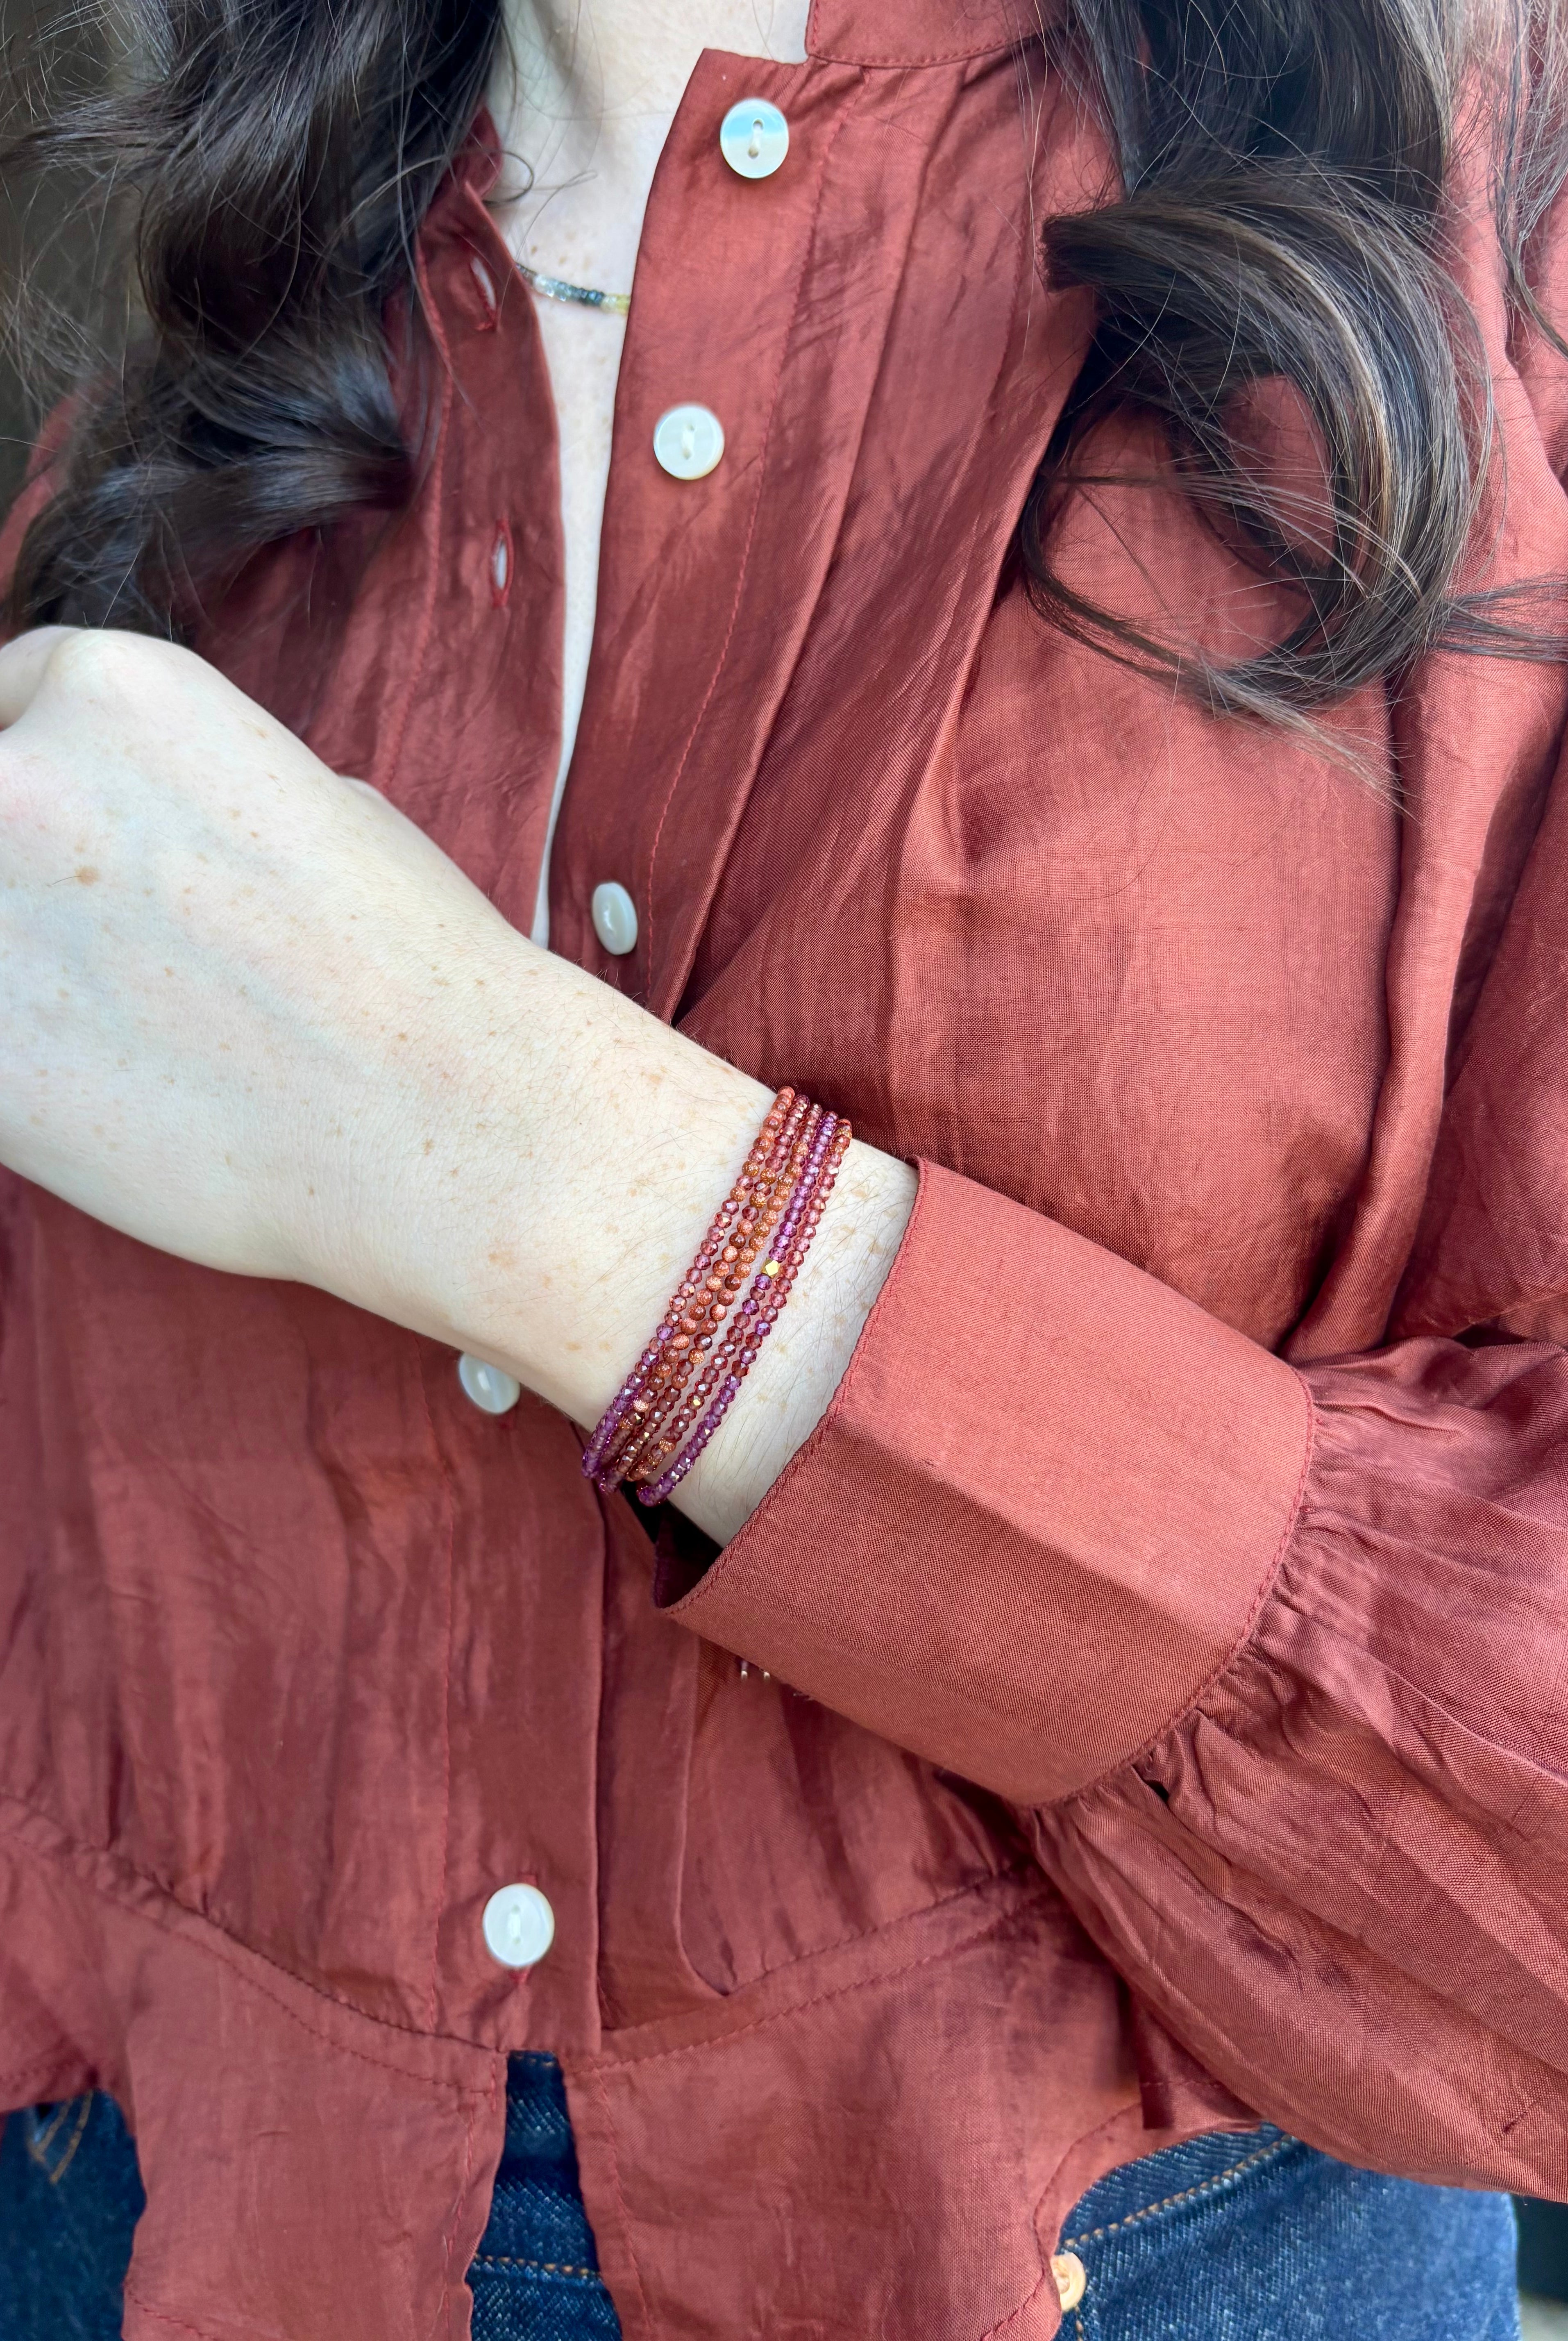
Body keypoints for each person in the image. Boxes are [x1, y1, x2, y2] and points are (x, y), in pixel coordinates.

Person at [0, 0, 1564, 2330]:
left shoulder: (1500, 222)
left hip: (1145, 2242)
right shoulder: (204, 301)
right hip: (145, 2213)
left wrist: (540, 1176)